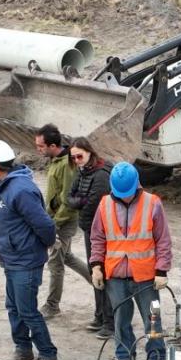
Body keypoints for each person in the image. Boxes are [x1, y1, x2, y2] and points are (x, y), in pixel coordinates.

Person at [0, 139, 59, 360]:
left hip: (25, 261)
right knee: (13, 306)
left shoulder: (20, 190)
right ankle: (23, 348)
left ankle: (47, 353)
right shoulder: (5, 186)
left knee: (27, 310)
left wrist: (39, 248)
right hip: (13, 259)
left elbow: (45, 225)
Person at [89, 162, 172, 360]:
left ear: (137, 186)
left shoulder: (152, 203)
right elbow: (97, 238)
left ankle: (157, 359)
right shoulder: (105, 204)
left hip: (146, 276)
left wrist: (162, 270)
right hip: (116, 275)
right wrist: (96, 266)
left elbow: (163, 239)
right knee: (120, 319)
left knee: (153, 319)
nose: (125, 197)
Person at [34, 124, 90, 319]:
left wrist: (54, 224)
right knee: (66, 257)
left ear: (51, 146)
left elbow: (68, 199)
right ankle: (100, 282)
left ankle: (52, 305)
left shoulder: (66, 164)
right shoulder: (57, 160)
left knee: (55, 262)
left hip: (64, 220)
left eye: (40, 146)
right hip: (56, 217)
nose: (38, 150)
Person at [63, 138, 114, 336]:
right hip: (89, 229)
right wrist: (79, 201)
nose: (76, 160)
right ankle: (100, 315)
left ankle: (109, 321)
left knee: (104, 275)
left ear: (89, 152)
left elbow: (94, 203)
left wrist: (79, 201)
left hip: (102, 233)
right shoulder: (83, 171)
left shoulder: (100, 175)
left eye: (79, 156)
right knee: (96, 274)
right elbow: (69, 196)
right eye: (73, 157)